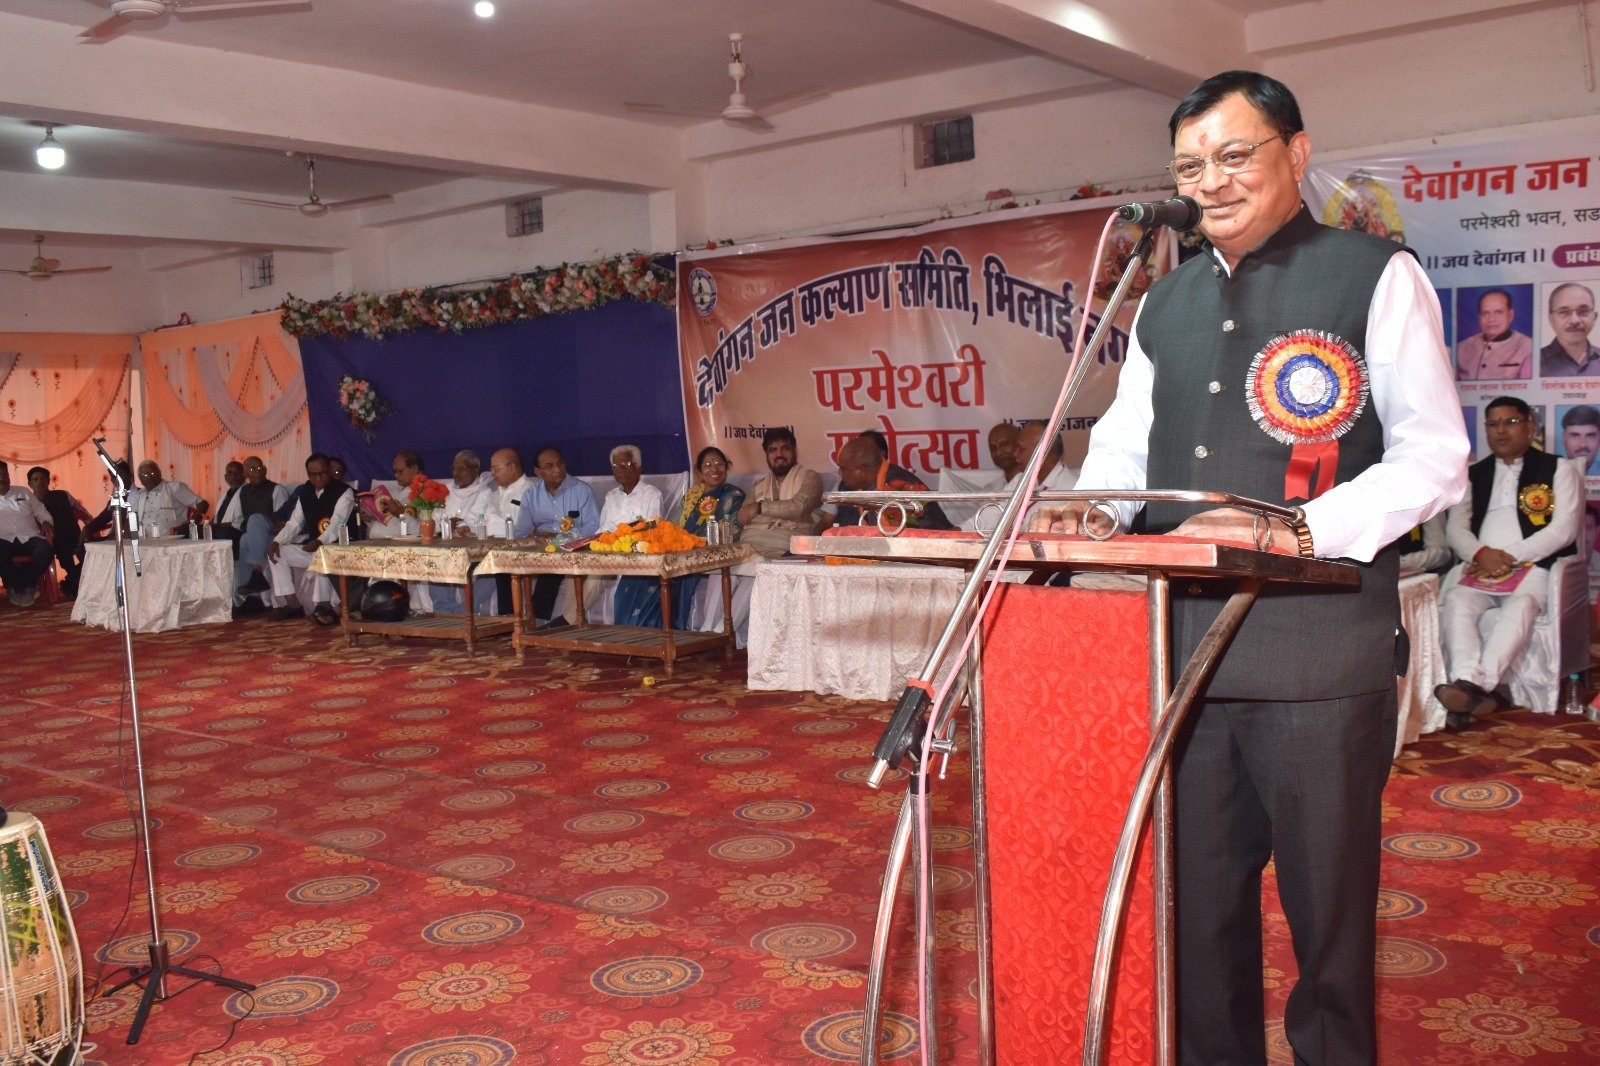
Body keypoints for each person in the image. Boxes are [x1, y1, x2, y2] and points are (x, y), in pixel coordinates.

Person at [1030, 71, 1468, 1065]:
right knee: (1195, 924)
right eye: (1189, 167)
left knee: (1329, 933)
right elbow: (1123, 448)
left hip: (1319, 660)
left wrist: (1302, 530)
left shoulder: (1374, 274)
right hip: (1180, 658)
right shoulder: (1163, 300)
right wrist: (1082, 509)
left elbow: (1435, 455)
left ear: (1296, 154)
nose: (1210, 183)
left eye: (1234, 155)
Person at [1437, 396, 1580, 728]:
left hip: (1532, 566)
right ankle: (1468, 683)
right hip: (1480, 566)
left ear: (1530, 426)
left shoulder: (1558, 469)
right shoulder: (1472, 474)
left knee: (1522, 605)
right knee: (1457, 601)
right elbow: (1456, 529)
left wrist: (1511, 556)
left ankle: (1471, 690)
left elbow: (1565, 529)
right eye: (1494, 424)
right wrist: (1481, 555)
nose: (1501, 431)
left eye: (1511, 422)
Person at [625, 446, 747, 631]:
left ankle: (668, 633)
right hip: (679, 551)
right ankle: (633, 631)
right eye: (707, 465)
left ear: (727, 467)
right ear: (699, 471)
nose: (714, 469)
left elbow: (735, 531)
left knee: (675, 577)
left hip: (707, 556)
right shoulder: (691, 495)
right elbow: (673, 526)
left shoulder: (735, 496)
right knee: (639, 577)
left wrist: (700, 544)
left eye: (719, 464)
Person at [513, 447, 599, 626]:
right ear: (538, 471)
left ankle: (557, 624)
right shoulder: (531, 495)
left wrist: (562, 537)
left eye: (560, 463)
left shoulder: (581, 490)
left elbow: (593, 528)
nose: (557, 469)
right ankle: (537, 622)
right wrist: (532, 536)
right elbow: (520, 532)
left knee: (560, 563)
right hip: (543, 548)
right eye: (550, 466)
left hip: (573, 549)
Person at [266, 453, 355, 624]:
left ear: (330, 470)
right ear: (308, 474)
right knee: (277, 553)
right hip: (314, 547)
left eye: (322, 473)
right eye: (313, 475)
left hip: (338, 549)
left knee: (323, 554)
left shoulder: (344, 492)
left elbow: (338, 523)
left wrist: (320, 541)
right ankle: (292, 604)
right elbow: (294, 523)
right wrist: (277, 541)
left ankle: (323, 606)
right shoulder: (305, 494)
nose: (318, 478)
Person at [823, 435, 953, 530]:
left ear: (862, 470)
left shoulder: (898, 486)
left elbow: (920, 535)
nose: (839, 473)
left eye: (843, 468)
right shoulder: (854, 486)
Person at [604, 444, 669, 627]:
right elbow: (603, 531)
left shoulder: (651, 494)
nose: (619, 469)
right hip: (612, 557)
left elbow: (652, 530)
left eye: (624, 464)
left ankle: (635, 632)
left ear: (638, 466)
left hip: (641, 559)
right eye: (615, 465)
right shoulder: (611, 497)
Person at [738, 427, 824, 557]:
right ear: (766, 455)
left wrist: (758, 508)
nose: (779, 454)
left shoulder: (811, 478)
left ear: (794, 451)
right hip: (749, 550)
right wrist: (788, 515)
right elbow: (743, 517)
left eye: (785, 448)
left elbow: (799, 507)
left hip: (787, 552)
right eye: (772, 450)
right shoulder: (759, 485)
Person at [221, 456, 292, 609]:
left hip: (274, 536)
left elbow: (282, 521)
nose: (258, 472)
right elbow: (240, 520)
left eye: (260, 468)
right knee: (245, 539)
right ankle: (252, 598)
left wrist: (258, 527)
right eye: (252, 469)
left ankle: (256, 573)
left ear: (265, 470)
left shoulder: (277, 489)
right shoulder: (243, 491)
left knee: (255, 519)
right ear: (246, 474)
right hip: (255, 538)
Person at [484, 448, 538, 615]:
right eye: (491, 468)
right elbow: (486, 523)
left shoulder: (532, 490)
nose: (492, 473)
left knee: (502, 560)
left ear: (512, 467)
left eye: (496, 468)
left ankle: (510, 618)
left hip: (523, 547)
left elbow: (536, 526)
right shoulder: (494, 494)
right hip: (492, 546)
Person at [26, 465, 90, 599]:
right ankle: (72, 582)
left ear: (48, 481)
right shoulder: (27, 501)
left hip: (73, 534)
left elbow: (80, 510)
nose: (39, 481)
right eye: (35, 479)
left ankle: (70, 582)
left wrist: (91, 524)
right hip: (46, 540)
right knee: (63, 546)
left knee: (92, 552)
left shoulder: (63, 495)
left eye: (42, 478)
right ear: (30, 484)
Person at [0, 460, 55, 607]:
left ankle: (26, 585)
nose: (3, 478)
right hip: (3, 541)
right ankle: (19, 587)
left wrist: (46, 521)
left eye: (5, 474)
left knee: (46, 550)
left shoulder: (23, 492)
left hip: (30, 538)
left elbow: (42, 512)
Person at [1456, 288, 1533, 381]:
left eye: (1498, 312)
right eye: (1485, 313)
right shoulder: (1461, 348)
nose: (1491, 319)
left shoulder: (1529, 348)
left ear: (1510, 315)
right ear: (1479, 317)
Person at [130, 461, 208, 536]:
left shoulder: (173, 488)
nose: (150, 477)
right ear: (140, 478)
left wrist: (190, 526)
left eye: (152, 473)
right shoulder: (140, 495)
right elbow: (131, 516)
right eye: (145, 475)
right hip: (145, 541)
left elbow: (203, 504)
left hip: (173, 540)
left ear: (159, 473)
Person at [1538, 283, 1600, 377]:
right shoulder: (1534, 361)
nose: (1574, 320)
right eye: (1564, 312)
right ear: (1551, 319)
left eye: (1583, 311)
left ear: (1594, 316)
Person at [364, 450, 424, 540]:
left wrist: (400, 514)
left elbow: (421, 531)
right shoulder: (396, 492)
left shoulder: (426, 493)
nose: (396, 475)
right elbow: (390, 524)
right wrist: (370, 520)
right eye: (395, 471)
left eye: (400, 471)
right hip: (377, 541)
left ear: (415, 469)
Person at [441, 450, 497, 537]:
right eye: (454, 468)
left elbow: (477, 519)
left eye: (461, 468)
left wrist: (456, 524)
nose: (456, 473)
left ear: (475, 470)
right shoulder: (447, 489)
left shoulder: (484, 492)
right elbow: (437, 516)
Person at [1559, 404, 1600, 476]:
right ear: (1563, 438)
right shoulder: (1549, 472)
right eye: (1575, 435)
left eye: (1590, 436)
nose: (1583, 445)